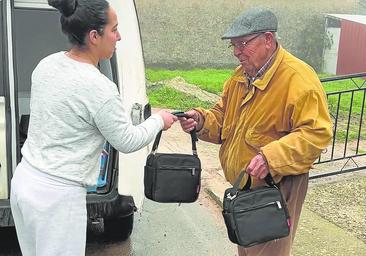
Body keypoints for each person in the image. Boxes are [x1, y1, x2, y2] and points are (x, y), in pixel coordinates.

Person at [9, 0, 177, 255]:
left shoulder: (47, 63)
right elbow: (126, 140)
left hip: (25, 181)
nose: (119, 37)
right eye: (114, 29)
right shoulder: (98, 87)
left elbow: (61, 118)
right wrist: (158, 120)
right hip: (57, 199)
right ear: (94, 36)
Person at [179, 7, 333, 256]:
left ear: (268, 40)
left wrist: (271, 158)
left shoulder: (298, 79)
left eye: (243, 43)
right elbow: (222, 118)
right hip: (246, 186)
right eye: (233, 45)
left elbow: (316, 134)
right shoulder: (241, 76)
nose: (237, 52)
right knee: (248, 248)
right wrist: (200, 120)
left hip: (278, 187)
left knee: (267, 252)